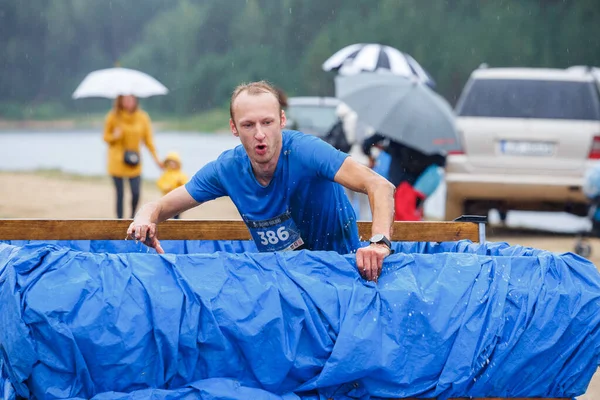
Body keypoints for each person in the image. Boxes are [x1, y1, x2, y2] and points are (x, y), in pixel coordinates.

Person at [127, 81, 395, 282]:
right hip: (282, 282)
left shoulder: (308, 151)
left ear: (281, 120)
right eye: (248, 125)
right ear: (234, 128)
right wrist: (143, 218)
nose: (259, 135)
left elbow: (380, 186)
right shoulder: (227, 169)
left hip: (341, 274)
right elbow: (159, 207)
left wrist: (379, 243)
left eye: (267, 122)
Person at [103, 95, 163, 219]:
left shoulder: (142, 117)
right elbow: (106, 138)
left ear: (135, 100)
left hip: (134, 160)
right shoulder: (113, 116)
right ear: (120, 100)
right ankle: (119, 221)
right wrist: (115, 135)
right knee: (120, 194)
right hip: (117, 160)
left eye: (131, 99)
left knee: (136, 193)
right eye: (125, 99)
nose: (128, 102)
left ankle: (131, 218)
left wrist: (157, 160)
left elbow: (149, 141)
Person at [363, 133, 445, 221]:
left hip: (398, 180)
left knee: (394, 220)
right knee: (411, 219)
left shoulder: (395, 127)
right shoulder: (428, 132)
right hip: (417, 183)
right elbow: (442, 160)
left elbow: (367, 144)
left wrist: (375, 155)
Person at [156, 151, 189, 219]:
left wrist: (181, 183)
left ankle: (177, 221)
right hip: (167, 198)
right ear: (167, 163)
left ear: (178, 163)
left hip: (178, 199)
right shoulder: (165, 174)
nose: (172, 164)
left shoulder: (181, 174)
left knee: (177, 213)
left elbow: (186, 184)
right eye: (170, 162)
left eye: (174, 162)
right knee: (166, 213)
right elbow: (160, 183)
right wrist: (166, 187)